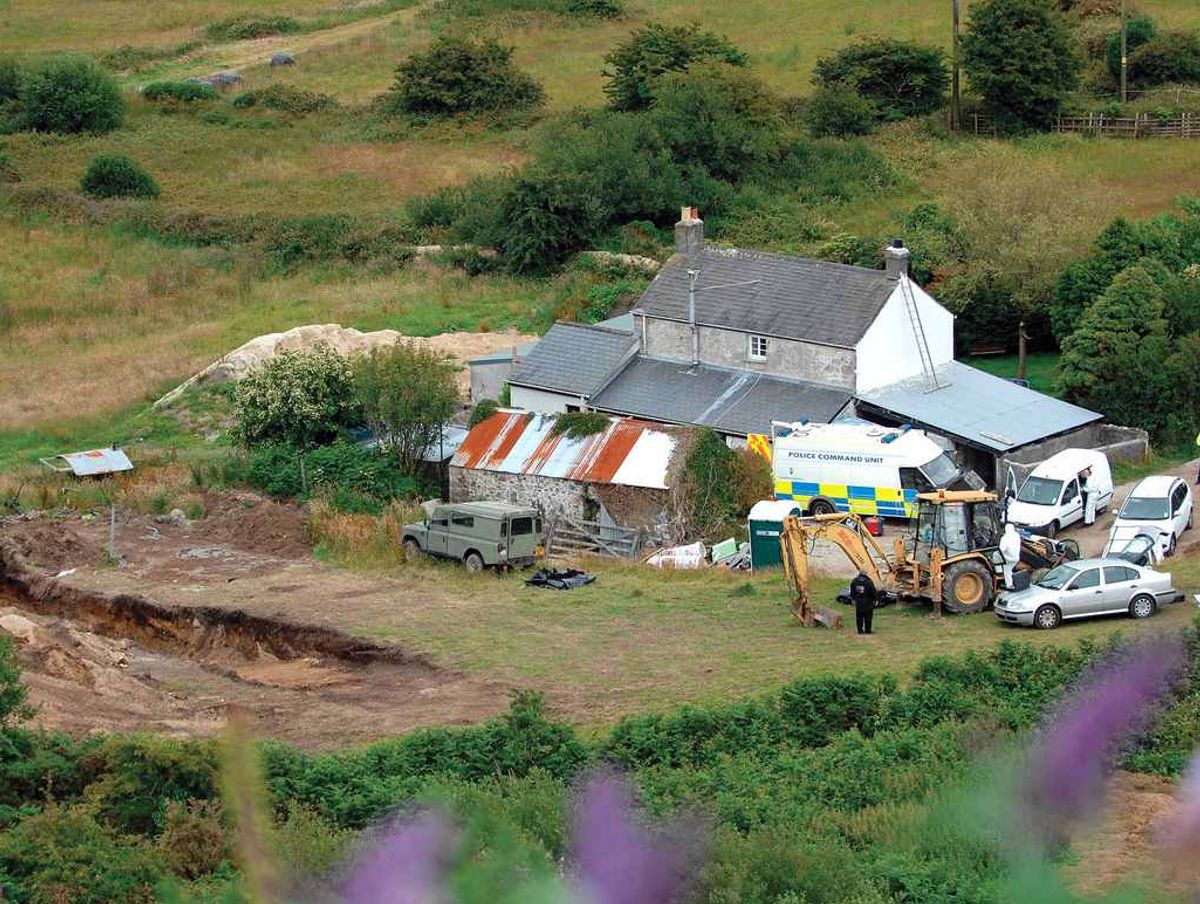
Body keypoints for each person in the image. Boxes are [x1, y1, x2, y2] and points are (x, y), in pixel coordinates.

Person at [849, 570, 878, 636]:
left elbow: (852, 592)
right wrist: (876, 599)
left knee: (859, 617)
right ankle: (868, 630)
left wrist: (853, 599)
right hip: (868, 602)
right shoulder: (868, 582)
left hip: (858, 602)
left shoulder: (854, 581)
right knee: (868, 617)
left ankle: (860, 630)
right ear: (865, 574)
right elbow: (873, 591)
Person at [999, 522, 1022, 590]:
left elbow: (1001, 549)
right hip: (1016, 558)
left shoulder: (1005, 538)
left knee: (1007, 570)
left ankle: (1009, 585)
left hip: (1009, 558)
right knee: (1010, 570)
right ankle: (1012, 581)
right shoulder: (1017, 535)